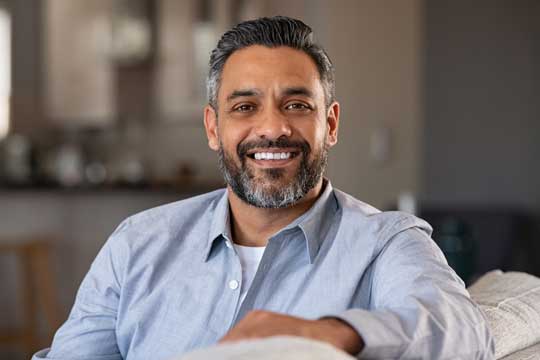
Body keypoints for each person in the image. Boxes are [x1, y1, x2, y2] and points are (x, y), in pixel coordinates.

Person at [33, 16, 494, 359]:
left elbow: (463, 332)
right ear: (213, 127)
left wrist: (331, 334)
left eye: (296, 104)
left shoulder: (386, 243)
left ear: (329, 124)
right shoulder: (138, 242)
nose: (272, 128)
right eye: (245, 106)